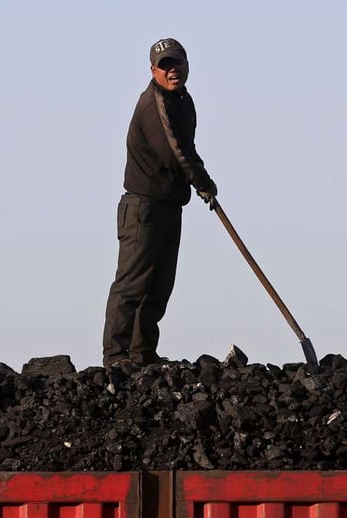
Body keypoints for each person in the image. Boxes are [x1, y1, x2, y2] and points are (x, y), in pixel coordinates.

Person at [102, 38, 218, 367]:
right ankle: (116, 357)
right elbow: (174, 153)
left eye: (176, 63)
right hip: (143, 207)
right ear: (153, 71)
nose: (172, 71)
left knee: (159, 284)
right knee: (133, 284)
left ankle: (142, 354)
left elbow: (188, 148)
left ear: (186, 64)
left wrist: (202, 180)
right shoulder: (154, 107)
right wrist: (201, 181)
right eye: (165, 66)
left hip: (169, 204)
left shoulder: (183, 100)